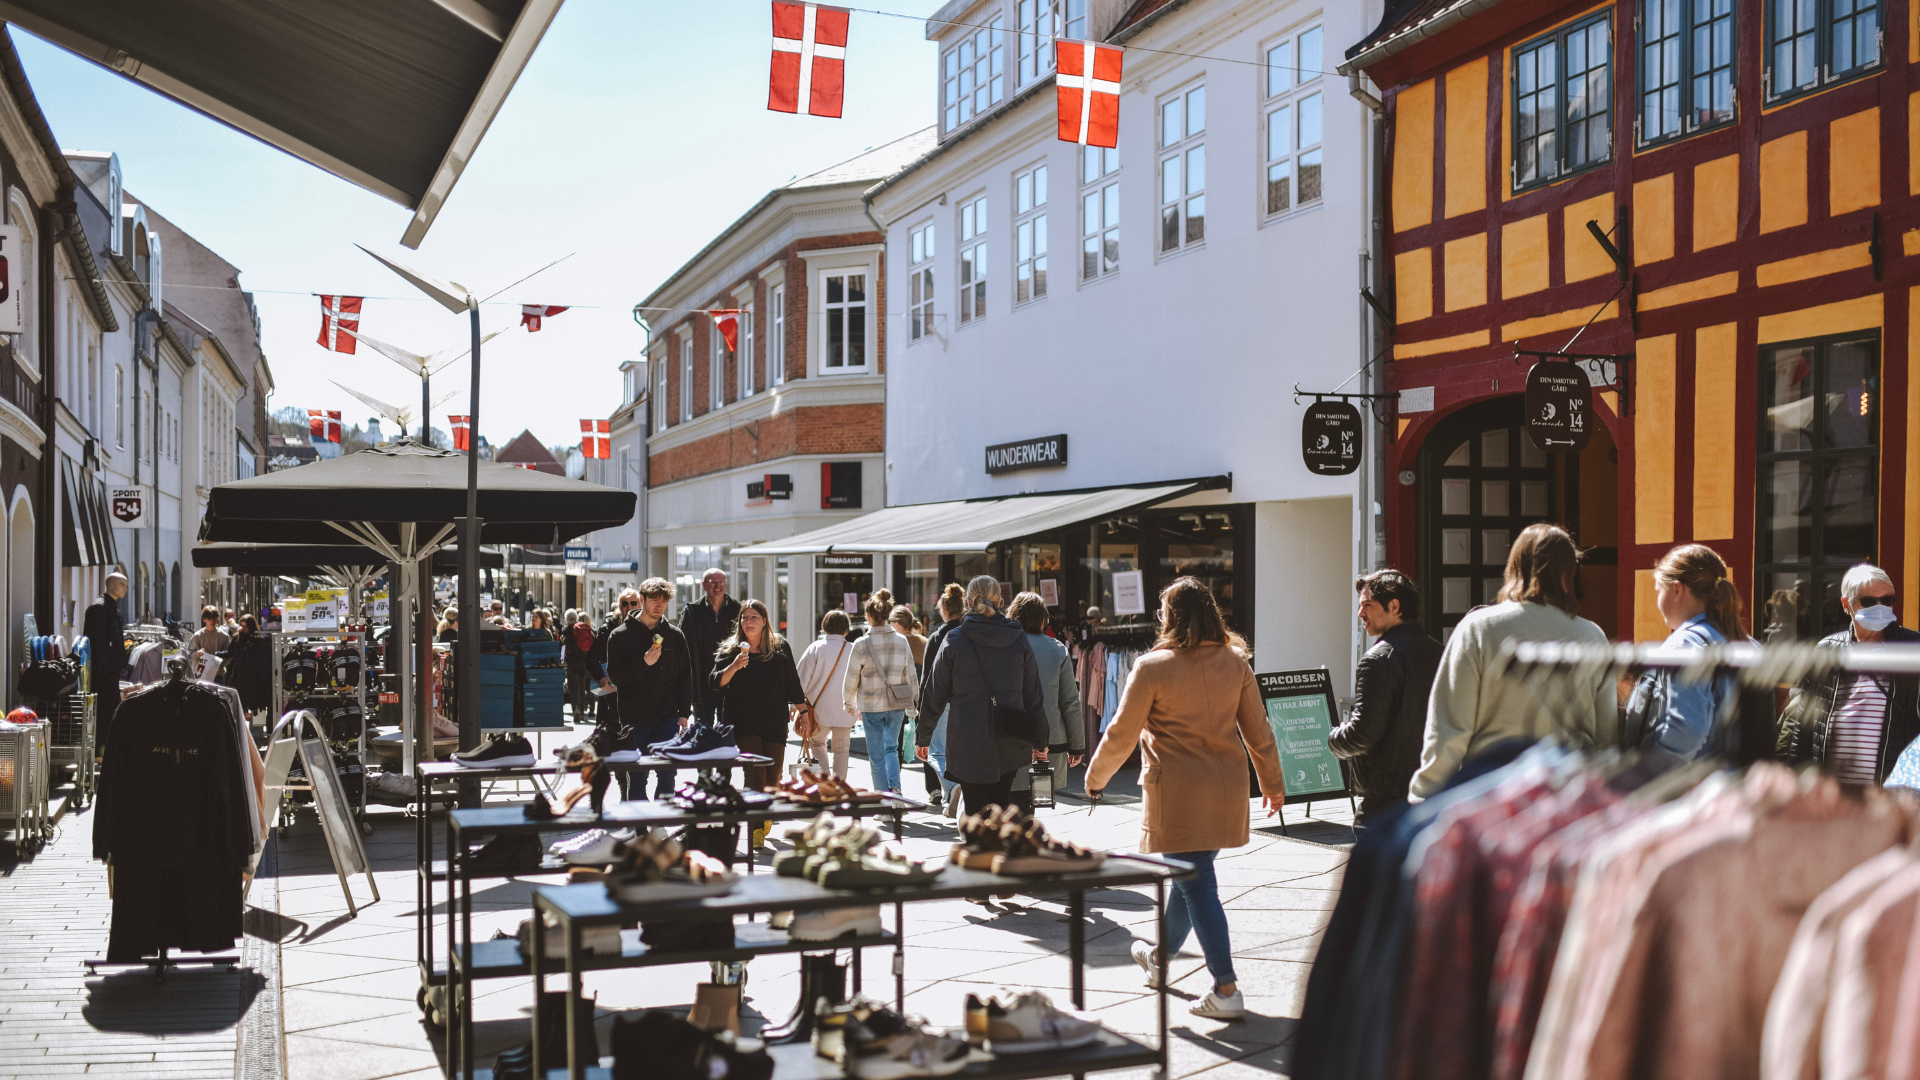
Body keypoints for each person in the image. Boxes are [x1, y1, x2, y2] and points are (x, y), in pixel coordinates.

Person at [1085, 576, 1286, 1022]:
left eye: (1161, 610)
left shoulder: (1153, 667)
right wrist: (1272, 783)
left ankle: (1226, 987)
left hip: (1176, 792)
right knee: (1190, 878)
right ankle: (1159, 960)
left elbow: (1121, 732)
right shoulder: (1235, 661)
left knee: (1196, 885)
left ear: (1170, 617)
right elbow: (1259, 732)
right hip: (1225, 790)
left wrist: (1096, 776)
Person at [1411, 523, 1616, 799]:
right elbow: (1607, 732)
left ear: (1514, 565)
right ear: (1570, 572)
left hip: (1493, 791)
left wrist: (1425, 794)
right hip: (1567, 792)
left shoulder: (1480, 628)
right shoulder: (1592, 635)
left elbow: (1450, 726)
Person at [1778, 563, 1920, 784]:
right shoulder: (1827, 650)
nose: (1880, 607)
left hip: (1888, 796)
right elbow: (1804, 726)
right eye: (1869, 601)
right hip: (1833, 794)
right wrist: (1795, 778)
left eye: (1887, 600)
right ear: (1846, 605)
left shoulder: (1912, 649)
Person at [919, 575, 1046, 815]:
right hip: (1009, 737)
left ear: (968, 601)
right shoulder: (1018, 639)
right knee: (1000, 804)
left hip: (967, 738)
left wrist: (923, 736)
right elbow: (1033, 693)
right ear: (1000, 601)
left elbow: (934, 691)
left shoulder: (954, 639)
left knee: (975, 809)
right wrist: (1040, 740)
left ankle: (978, 848)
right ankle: (995, 846)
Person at [1328, 570, 1441, 819]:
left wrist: (1334, 738)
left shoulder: (1378, 659)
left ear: (1394, 606)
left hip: (1387, 796)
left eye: (1367, 605)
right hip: (1434, 789)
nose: (1361, 614)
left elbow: (1362, 735)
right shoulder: (1441, 652)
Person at [1624, 545, 1747, 765]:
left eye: (1658, 590)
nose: (1658, 601)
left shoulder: (1684, 645)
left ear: (1677, 590)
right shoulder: (1746, 643)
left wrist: (1646, 770)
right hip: (1734, 787)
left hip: (1694, 790)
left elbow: (1687, 730)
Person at [711, 599, 804, 845]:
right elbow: (714, 682)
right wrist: (734, 667)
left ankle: (764, 816)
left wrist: (804, 713)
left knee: (773, 779)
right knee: (755, 776)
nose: (748, 621)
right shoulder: (731, 650)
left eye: (754, 617)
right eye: (744, 617)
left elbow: (792, 683)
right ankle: (755, 831)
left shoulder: (780, 647)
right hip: (742, 722)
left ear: (764, 622)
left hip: (774, 721)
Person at [602, 578, 695, 803]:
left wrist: (684, 712)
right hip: (634, 716)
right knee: (637, 776)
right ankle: (639, 828)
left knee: (667, 775)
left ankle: (660, 826)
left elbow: (685, 676)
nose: (659, 605)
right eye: (654, 599)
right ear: (641, 599)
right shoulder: (620, 635)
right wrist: (644, 662)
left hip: (667, 715)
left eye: (664, 600)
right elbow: (616, 677)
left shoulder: (674, 634)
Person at [1008, 592, 1084, 810]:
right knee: (1034, 798)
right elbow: (1070, 702)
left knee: (1012, 795)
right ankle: (1025, 833)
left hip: (1010, 737)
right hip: (1049, 742)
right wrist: (1077, 745)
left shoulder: (1006, 645)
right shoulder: (1057, 649)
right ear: (1043, 619)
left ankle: (1013, 835)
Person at [844, 590, 915, 794]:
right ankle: (895, 790)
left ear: (868, 616)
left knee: (876, 756)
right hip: (896, 704)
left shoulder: (861, 644)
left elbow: (851, 678)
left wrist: (848, 702)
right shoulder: (902, 641)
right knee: (891, 749)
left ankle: (883, 801)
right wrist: (913, 706)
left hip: (871, 705)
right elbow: (911, 675)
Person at [914, 584, 967, 814]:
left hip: (942, 702)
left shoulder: (937, 637)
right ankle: (954, 797)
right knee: (963, 751)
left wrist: (921, 710)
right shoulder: (968, 633)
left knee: (936, 752)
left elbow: (927, 679)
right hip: (967, 701)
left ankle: (953, 788)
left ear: (944, 610)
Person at [794, 611, 857, 779]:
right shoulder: (853, 649)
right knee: (842, 750)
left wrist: (795, 705)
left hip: (819, 708)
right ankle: (839, 786)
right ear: (846, 629)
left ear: (825, 626)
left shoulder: (816, 648)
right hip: (847, 709)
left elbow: (800, 680)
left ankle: (824, 781)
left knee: (818, 743)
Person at [681, 568, 742, 726]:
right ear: (704, 585)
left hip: (730, 683)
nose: (717, 586)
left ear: (725, 584)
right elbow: (682, 648)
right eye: (713, 582)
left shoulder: (738, 610)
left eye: (721, 582)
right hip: (701, 684)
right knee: (703, 734)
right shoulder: (692, 612)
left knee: (728, 733)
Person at [83, 573, 130, 753]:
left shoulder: (112, 609)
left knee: (109, 711)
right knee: (103, 711)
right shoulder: (99, 608)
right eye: (121, 584)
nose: (125, 588)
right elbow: (97, 643)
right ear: (110, 585)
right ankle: (99, 751)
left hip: (110, 671)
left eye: (126, 585)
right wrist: (104, 670)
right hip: (102, 673)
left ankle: (104, 750)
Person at [221, 613, 273, 720]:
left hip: (254, 678)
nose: (244, 629)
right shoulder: (237, 639)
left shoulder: (258, 640)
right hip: (240, 677)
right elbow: (230, 653)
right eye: (242, 626)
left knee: (256, 705)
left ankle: (256, 732)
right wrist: (215, 654)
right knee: (241, 704)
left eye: (246, 626)